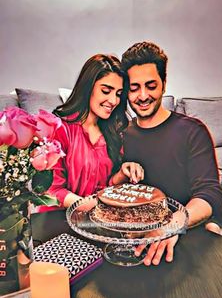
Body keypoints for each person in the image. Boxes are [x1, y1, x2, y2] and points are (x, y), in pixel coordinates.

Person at [119, 41, 222, 266]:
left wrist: (171, 225)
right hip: (139, 243)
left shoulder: (192, 131)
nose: (143, 95)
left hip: (186, 231)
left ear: (164, 84)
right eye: (134, 87)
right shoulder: (122, 134)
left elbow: (210, 194)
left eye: (151, 85)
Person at [40, 54, 144, 212]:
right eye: (106, 90)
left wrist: (123, 173)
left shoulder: (114, 132)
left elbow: (106, 187)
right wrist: (91, 206)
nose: (113, 101)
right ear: (88, 87)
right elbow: (52, 190)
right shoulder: (59, 128)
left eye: (118, 94)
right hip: (59, 221)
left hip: (96, 220)